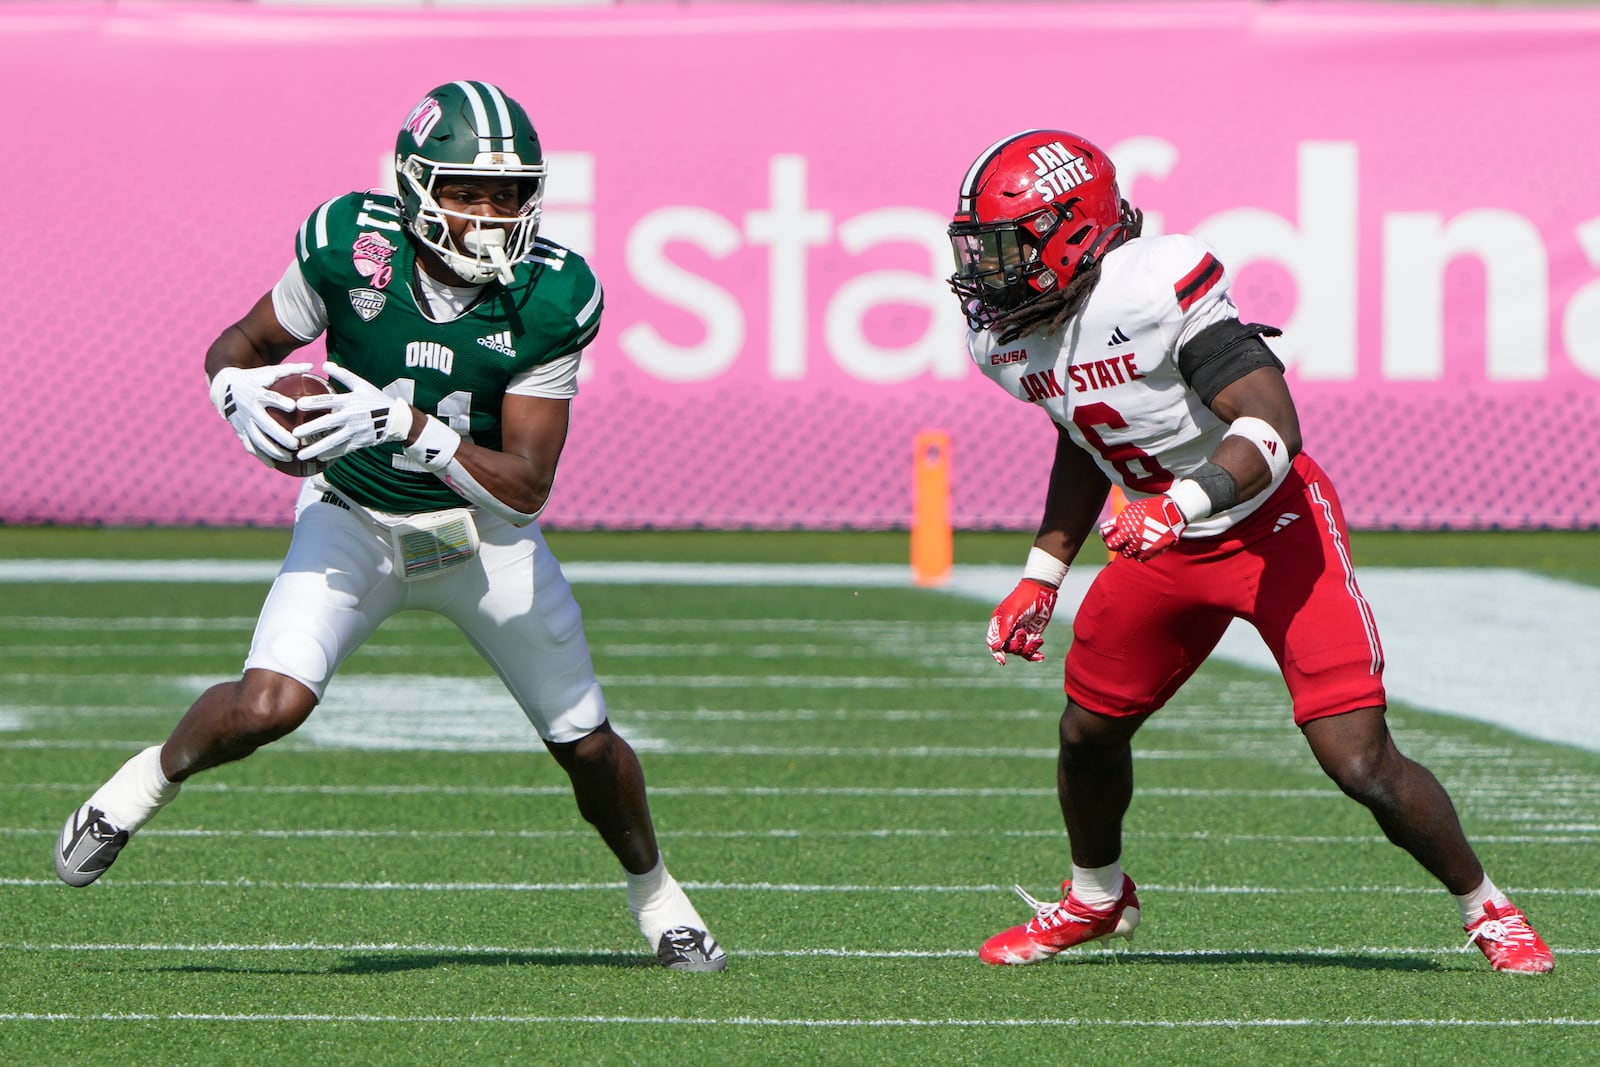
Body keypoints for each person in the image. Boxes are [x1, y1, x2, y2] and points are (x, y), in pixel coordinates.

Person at [53, 80, 726, 972]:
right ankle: (136, 788)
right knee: (268, 705)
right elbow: (240, 347)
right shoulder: (347, 246)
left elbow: (524, 488)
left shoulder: (553, 294)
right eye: (464, 192)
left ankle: (659, 898)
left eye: (508, 193)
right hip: (353, 515)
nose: (490, 215)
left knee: (586, 743)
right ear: (415, 187)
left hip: (481, 537)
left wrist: (409, 425)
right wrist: (233, 397)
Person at [947, 129, 1552, 974]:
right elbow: (1084, 439)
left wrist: (1180, 503)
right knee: (1087, 730)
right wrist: (1040, 575)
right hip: (1164, 541)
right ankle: (1096, 896)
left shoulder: (1151, 286)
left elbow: (1273, 425)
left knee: (1359, 760)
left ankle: (1486, 905)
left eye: (1008, 247)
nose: (988, 271)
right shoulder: (1006, 341)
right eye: (980, 249)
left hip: (1274, 527)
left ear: (1074, 230)